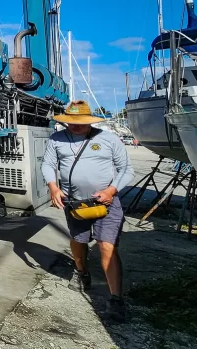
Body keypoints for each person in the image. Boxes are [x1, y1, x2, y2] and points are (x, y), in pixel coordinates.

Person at [42, 100, 134, 322]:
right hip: (75, 203)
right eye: (71, 122)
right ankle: (82, 273)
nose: (75, 126)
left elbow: (126, 170)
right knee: (78, 239)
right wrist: (53, 187)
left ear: (89, 121)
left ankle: (115, 299)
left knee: (106, 245)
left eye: (80, 123)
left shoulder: (109, 139)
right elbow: (47, 165)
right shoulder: (57, 139)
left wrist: (112, 190)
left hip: (107, 203)